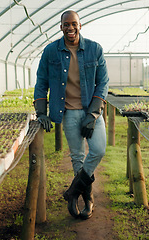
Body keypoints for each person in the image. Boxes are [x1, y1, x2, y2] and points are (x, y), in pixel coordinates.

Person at [33, 10, 109, 220]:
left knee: (98, 149)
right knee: (77, 157)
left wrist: (93, 114)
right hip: (68, 112)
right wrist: (41, 112)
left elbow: (103, 83)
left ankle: (73, 192)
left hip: (90, 111)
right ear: (61, 27)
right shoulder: (51, 51)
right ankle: (88, 199)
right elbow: (41, 82)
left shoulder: (95, 49)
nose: (70, 28)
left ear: (80, 25)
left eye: (73, 24)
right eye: (66, 25)